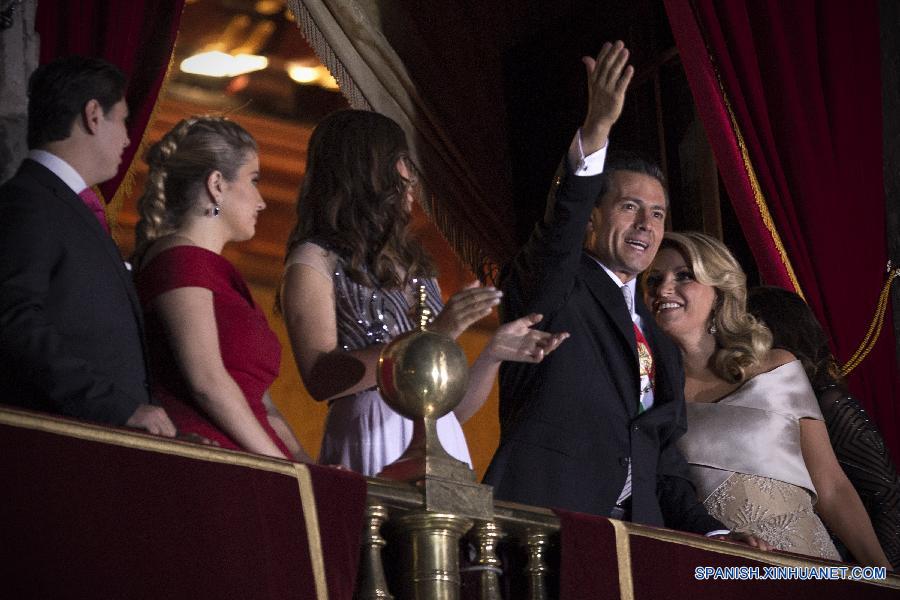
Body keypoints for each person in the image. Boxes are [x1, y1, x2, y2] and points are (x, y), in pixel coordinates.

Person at [483, 42, 746, 541]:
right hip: (546, 524)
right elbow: (557, 234)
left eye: (658, 214)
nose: (647, 224)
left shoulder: (659, 339)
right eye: (629, 207)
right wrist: (596, 130)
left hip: (633, 538)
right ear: (593, 217)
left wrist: (713, 533)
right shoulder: (556, 286)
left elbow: (662, 463)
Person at [279, 109, 568, 476]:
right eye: (402, 160)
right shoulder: (313, 260)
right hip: (371, 433)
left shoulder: (415, 266)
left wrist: (493, 353)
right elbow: (321, 380)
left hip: (441, 442)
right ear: (366, 168)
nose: (411, 178)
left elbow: (450, 410)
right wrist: (432, 336)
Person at [643, 231, 890, 566]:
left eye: (684, 276)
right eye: (654, 280)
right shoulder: (647, 392)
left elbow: (831, 486)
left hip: (808, 564)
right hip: (718, 571)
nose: (663, 289)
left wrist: (882, 573)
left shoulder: (777, 368)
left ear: (719, 292)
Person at [0, 56, 174, 436]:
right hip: (59, 438)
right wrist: (114, 407)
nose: (127, 139)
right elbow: (13, 316)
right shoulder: (28, 201)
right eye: (123, 120)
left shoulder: (67, 205)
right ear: (93, 115)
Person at [132, 116, 310, 461]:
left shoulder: (223, 276)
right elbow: (208, 382)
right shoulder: (180, 259)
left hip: (250, 456)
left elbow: (263, 403)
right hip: (210, 458)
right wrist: (280, 466)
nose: (261, 201)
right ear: (216, 184)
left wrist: (307, 467)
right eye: (254, 180)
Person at [747, 285, 900, 569]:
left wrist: (882, 574)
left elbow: (886, 494)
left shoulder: (830, 403)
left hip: (852, 558)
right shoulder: (766, 406)